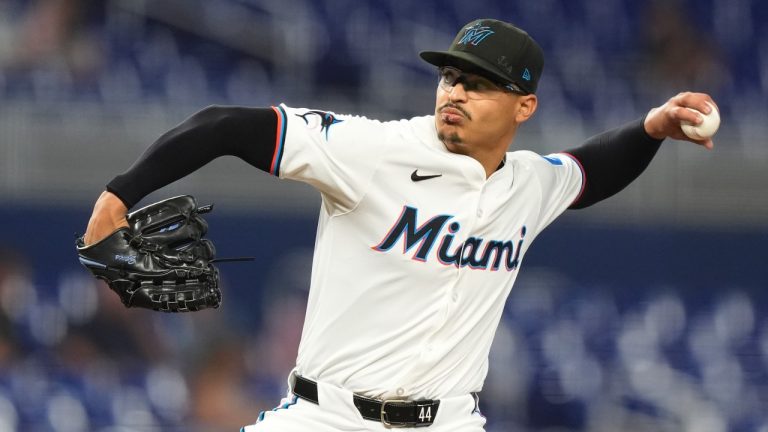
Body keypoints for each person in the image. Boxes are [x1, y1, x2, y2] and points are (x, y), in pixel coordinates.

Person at [81, 19, 718, 431]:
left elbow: (586, 172)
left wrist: (650, 128)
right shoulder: (374, 150)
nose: (456, 93)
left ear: (525, 106)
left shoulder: (528, 184)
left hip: (451, 423)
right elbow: (223, 124)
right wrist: (120, 193)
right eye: (451, 76)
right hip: (326, 419)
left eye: (481, 85)